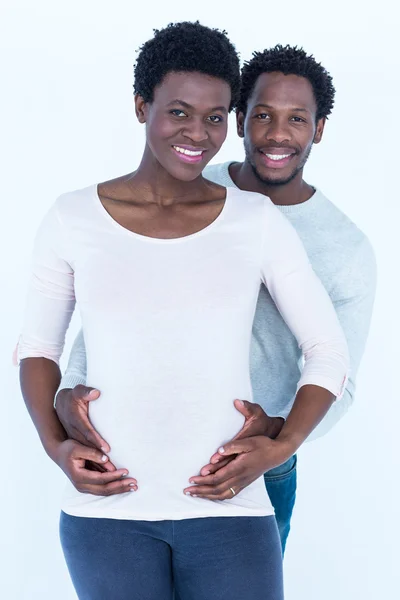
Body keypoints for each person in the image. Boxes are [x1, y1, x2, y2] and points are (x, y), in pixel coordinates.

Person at [18, 23, 349, 599]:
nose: (198, 132)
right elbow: (38, 348)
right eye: (178, 111)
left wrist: (281, 445)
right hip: (108, 513)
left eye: (217, 116)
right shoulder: (73, 217)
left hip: (230, 512)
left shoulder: (254, 220)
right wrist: (54, 444)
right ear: (142, 106)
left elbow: (327, 350)